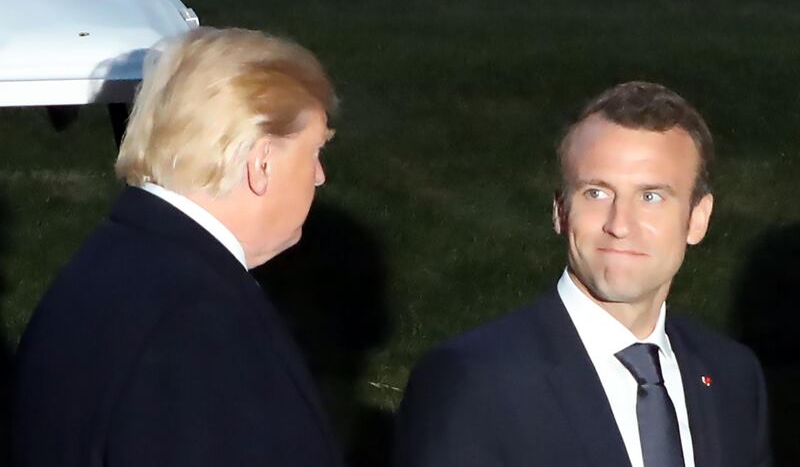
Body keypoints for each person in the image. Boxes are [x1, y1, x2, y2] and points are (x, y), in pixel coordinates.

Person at [13, 28, 344, 467]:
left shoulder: (115, 260)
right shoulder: (200, 330)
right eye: (314, 150)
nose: (319, 175)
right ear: (261, 161)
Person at [394, 82, 771, 467]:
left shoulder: (732, 376)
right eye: (597, 193)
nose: (620, 224)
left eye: (651, 197)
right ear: (560, 210)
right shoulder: (474, 380)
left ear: (698, 219)